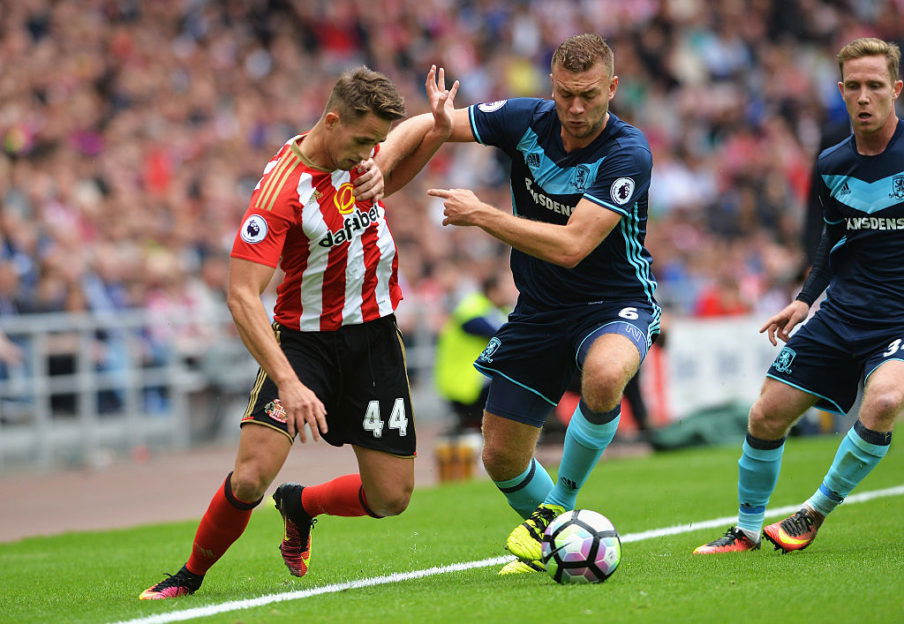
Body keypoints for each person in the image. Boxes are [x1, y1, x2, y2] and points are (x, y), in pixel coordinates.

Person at [139, 65, 458, 599]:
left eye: (376, 143)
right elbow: (242, 295)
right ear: (332, 121)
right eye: (363, 142)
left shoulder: (357, 153)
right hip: (304, 344)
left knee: (391, 498)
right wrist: (288, 381)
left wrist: (438, 132)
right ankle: (188, 577)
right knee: (249, 477)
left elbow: (397, 159)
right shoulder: (280, 192)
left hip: (375, 338)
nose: (370, 154)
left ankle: (301, 504)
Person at [425, 33, 661, 574]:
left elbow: (573, 246)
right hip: (539, 310)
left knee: (605, 375)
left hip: (614, 301)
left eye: (589, 95)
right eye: (566, 94)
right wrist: (379, 163)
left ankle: (556, 509)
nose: (576, 108)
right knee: (500, 456)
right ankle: (560, 540)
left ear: (612, 88)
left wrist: (482, 215)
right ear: (552, 85)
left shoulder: (628, 152)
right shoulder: (525, 119)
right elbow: (434, 125)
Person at [694, 37, 904, 556]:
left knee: (885, 400)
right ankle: (745, 532)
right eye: (853, 86)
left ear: (896, 90)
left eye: (875, 86)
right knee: (766, 414)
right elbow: (832, 239)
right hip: (843, 313)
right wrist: (805, 299)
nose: (864, 96)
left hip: (898, 320)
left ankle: (813, 511)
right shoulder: (832, 162)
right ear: (840, 90)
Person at [434, 273, 516, 436]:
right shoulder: (472, 307)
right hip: (464, 382)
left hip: (476, 379)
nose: (512, 293)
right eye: (507, 288)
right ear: (493, 291)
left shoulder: (498, 310)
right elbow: (499, 335)